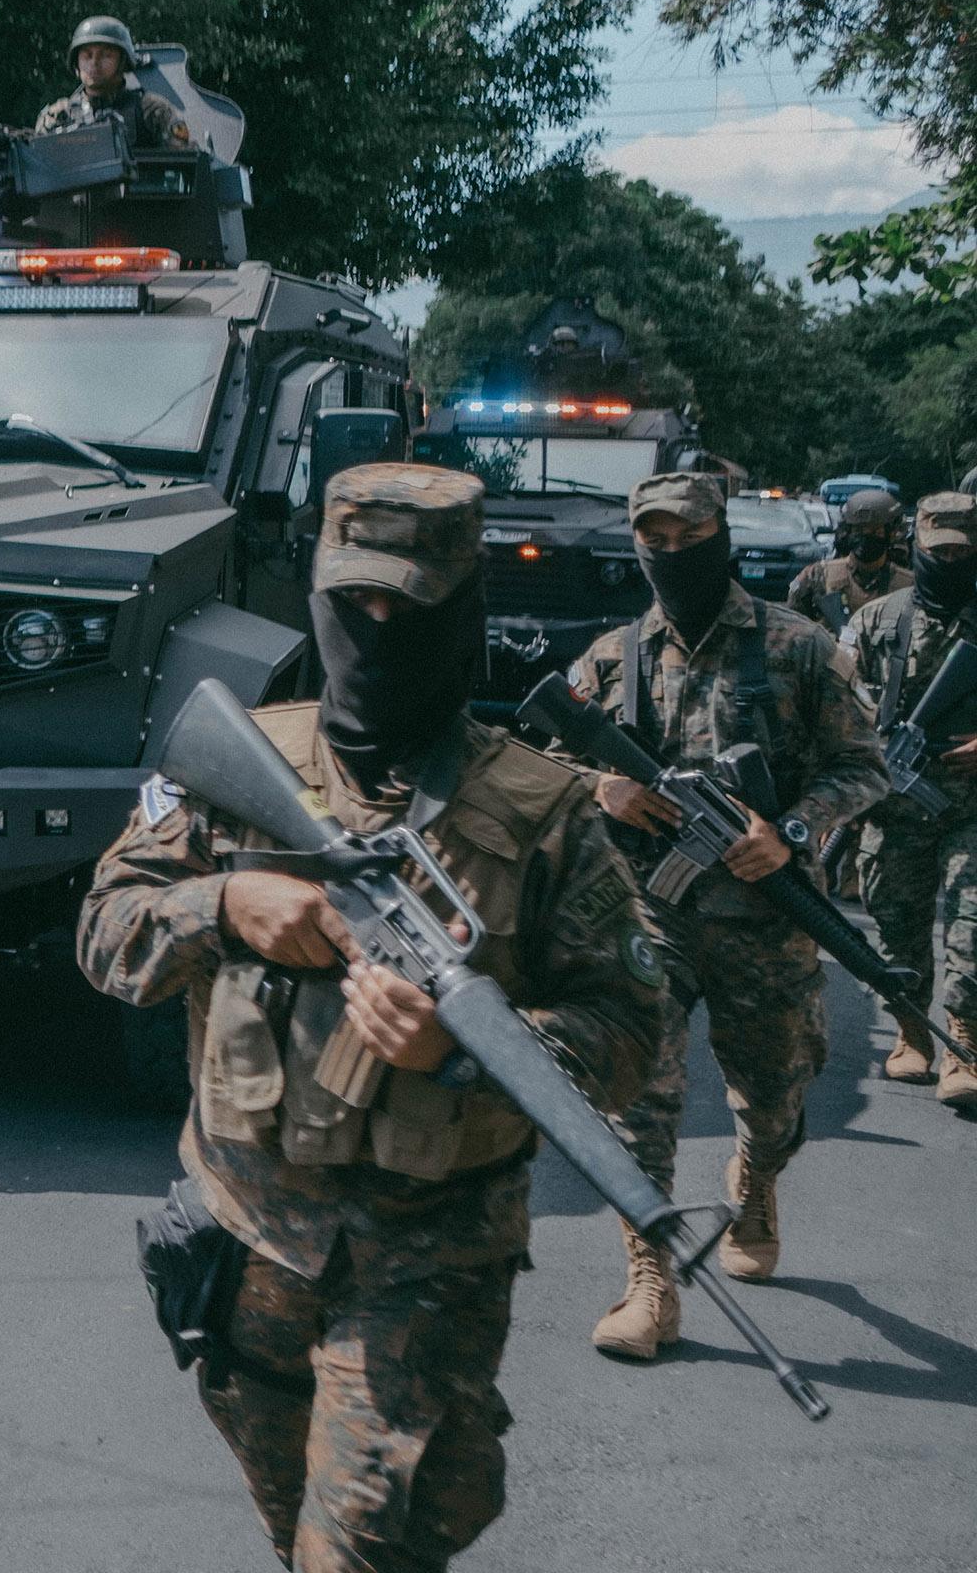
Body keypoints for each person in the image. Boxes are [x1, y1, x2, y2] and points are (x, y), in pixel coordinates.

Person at [83, 462, 658, 1573]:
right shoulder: (236, 764)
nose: (379, 628)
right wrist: (224, 903)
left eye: (411, 607)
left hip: (427, 1264)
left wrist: (471, 1046)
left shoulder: (544, 811)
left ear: (465, 611)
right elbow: (106, 932)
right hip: (244, 1244)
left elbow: (629, 1032)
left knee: (362, 1549)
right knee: (292, 1523)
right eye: (357, 604)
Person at [561, 471, 887, 1360]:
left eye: (687, 536)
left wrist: (790, 832)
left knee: (779, 1097)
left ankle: (755, 1178)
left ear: (721, 535)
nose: (670, 553)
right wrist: (602, 787)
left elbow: (865, 766)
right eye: (653, 539)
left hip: (767, 922)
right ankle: (651, 1283)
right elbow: (536, 772)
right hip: (645, 919)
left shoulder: (798, 646)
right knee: (636, 1103)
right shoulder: (609, 657)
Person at [846, 490, 977, 1103]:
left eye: (961, 554)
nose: (948, 564)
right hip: (893, 805)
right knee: (896, 926)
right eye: (938, 553)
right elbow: (832, 705)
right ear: (916, 548)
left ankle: (964, 1043)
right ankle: (912, 1034)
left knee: (971, 927)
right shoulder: (878, 620)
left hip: (972, 806)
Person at [33, 15, 191, 147]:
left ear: (122, 62)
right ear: (76, 62)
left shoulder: (151, 111)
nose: (94, 63)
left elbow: (187, 165)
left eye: (106, 55)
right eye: (87, 55)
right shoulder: (59, 116)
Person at [787, 485, 909, 629]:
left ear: (891, 533)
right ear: (848, 532)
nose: (866, 538)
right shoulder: (817, 576)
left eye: (876, 532)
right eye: (859, 531)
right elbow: (792, 626)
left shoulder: (907, 585)